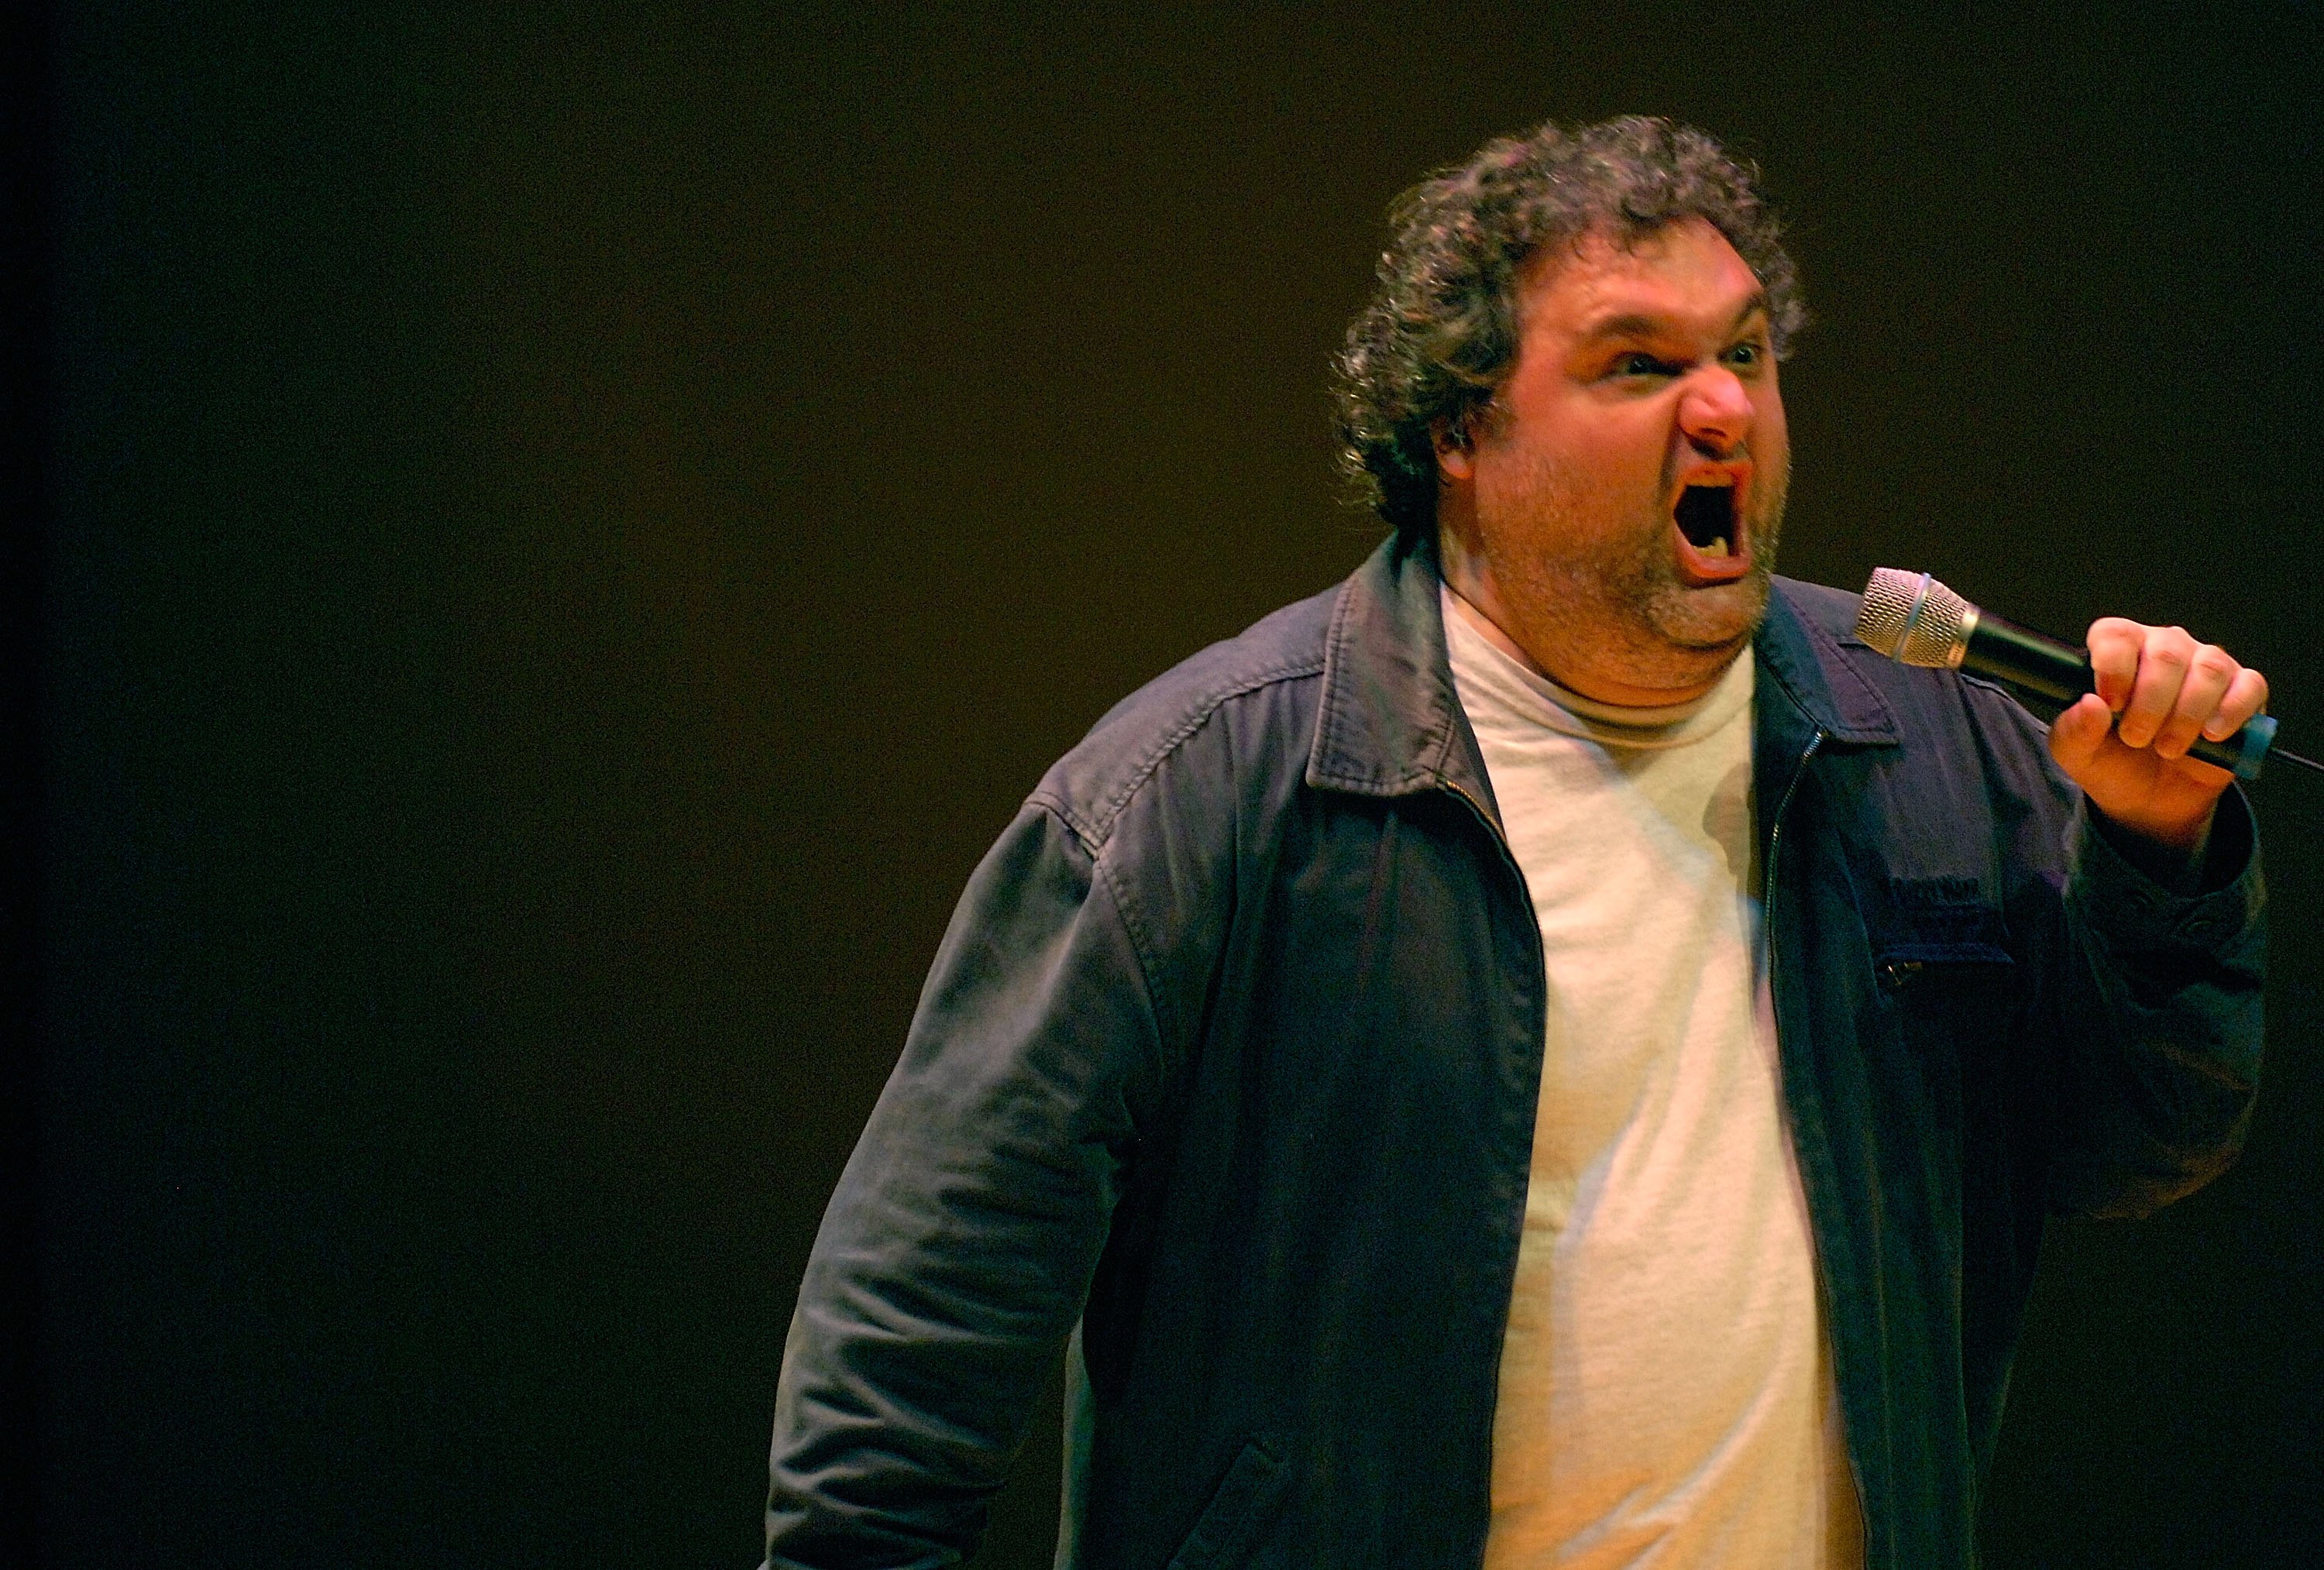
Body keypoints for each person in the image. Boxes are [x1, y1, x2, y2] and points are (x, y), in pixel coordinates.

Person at [763, 117, 2267, 1570]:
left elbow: (2138, 1145)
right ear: (1460, 432)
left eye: (1744, 352)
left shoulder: (1931, 740)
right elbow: (912, 1340)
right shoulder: (1206, 792)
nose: (1726, 408)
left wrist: (2160, 852)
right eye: (1639, 365)